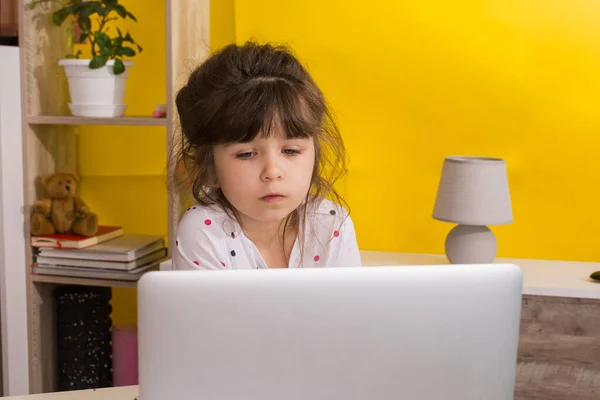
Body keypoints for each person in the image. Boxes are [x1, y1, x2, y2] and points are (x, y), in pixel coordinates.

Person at [171, 41, 361, 270]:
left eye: (290, 151)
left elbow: (348, 306)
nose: (272, 172)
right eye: (246, 154)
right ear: (209, 168)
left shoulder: (330, 222)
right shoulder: (203, 231)